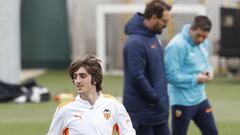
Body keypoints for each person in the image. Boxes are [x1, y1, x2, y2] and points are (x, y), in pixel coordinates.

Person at [47, 55, 136, 135]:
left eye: (82, 76)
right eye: (75, 77)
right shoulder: (64, 110)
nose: (77, 81)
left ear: (95, 79)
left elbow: (128, 131)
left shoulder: (113, 105)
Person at [123, 0, 172, 135]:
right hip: (142, 113)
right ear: (154, 17)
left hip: (158, 112)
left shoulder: (153, 38)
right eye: (164, 21)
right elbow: (137, 76)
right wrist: (155, 98)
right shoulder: (135, 43)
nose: (166, 25)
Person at [164, 15, 218, 135]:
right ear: (191, 29)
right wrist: (196, 78)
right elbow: (170, 76)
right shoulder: (176, 45)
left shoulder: (204, 42)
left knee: (212, 132)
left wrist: (209, 71)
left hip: (200, 98)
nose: (200, 39)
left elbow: (206, 64)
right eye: (198, 35)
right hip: (181, 101)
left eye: (204, 37)